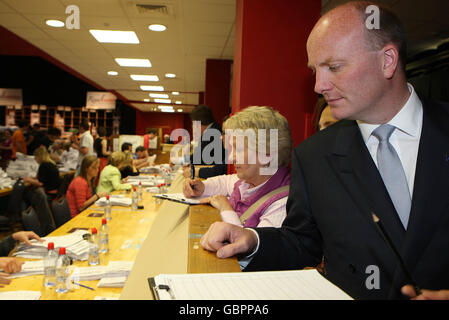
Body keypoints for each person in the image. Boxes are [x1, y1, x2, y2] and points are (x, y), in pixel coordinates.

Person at [200, 1, 449, 300]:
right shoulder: (314, 156)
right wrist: (252, 240)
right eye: (315, 70)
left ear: (387, 61)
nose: (318, 85)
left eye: (334, 67)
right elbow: (301, 242)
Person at [184, 106, 292, 230]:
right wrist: (202, 187)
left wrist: (226, 209)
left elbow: (251, 244)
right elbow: (225, 182)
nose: (230, 158)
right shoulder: (250, 181)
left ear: (267, 154)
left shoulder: (282, 205)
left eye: (238, 149)